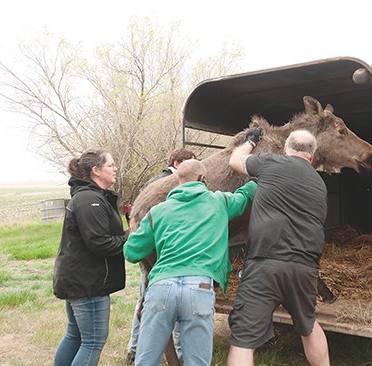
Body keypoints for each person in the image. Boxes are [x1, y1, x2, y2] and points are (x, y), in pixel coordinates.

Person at [123, 159, 257, 366]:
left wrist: (141, 235)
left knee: (146, 360)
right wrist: (256, 181)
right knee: (197, 362)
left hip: (161, 289)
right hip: (199, 288)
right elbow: (244, 196)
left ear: (178, 181)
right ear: (203, 179)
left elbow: (131, 252)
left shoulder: (158, 211)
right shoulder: (219, 202)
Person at [227, 128, 330, 366]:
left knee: (243, 339)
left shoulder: (271, 163)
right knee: (309, 324)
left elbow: (235, 160)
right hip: (305, 267)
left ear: (285, 149)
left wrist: (250, 142)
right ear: (312, 156)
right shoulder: (319, 183)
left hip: (265, 263)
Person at [53, 149, 127, 366]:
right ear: (96, 170)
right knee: (93, 341)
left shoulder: (91, 196)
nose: (115, 169)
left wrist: (125, 234)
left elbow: (99, 237)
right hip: (88, 283)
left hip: (79, 279)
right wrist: (129, 239)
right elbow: (99, 242)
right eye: (111, 165)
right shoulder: (89, 199)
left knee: (75, 335)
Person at [126, 147, 197, 365]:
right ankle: (174, 352)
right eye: (189, 163)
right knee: (154, 302)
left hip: (151, 250)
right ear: (177, 164)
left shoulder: (156, 182)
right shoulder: (162, 186)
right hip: (162, 255)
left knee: (147, 299)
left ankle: (135, 349)